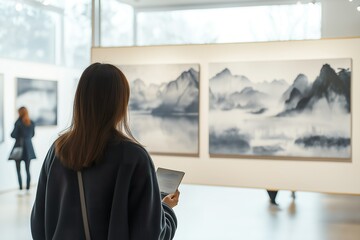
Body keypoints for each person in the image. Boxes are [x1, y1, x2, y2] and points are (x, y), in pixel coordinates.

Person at [31, 63, 180, 240]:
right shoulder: (133, 157)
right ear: (120, 103)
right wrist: (166, 210)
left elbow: (38, 225)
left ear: (80, 100)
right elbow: (151, 234)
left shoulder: (57, 151)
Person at [10, 106, 36, 191]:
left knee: (18, 170)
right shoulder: (31, 122)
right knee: (28, 170)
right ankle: (28, 189)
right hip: (28, 148)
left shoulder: (18, 123)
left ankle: (21, 188)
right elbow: (32, 135)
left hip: (19, 148)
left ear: (19, 113)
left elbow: (13, 135)